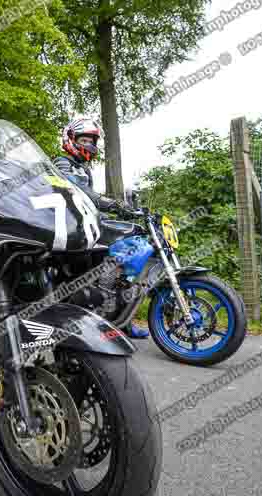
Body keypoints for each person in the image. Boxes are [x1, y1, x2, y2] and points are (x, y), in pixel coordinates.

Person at [53, 117, 150, 339]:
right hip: (70, 230)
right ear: (71, 139)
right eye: (84, 139)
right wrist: (110, 203)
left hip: (87, 226)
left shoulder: (84, 169)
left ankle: (121, 322)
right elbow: (78, 191)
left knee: (119, 271)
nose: (89, 144)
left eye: (92, 140)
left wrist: (115, 210)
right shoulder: (62, 162)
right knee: (84, 276)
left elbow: (89, 201)